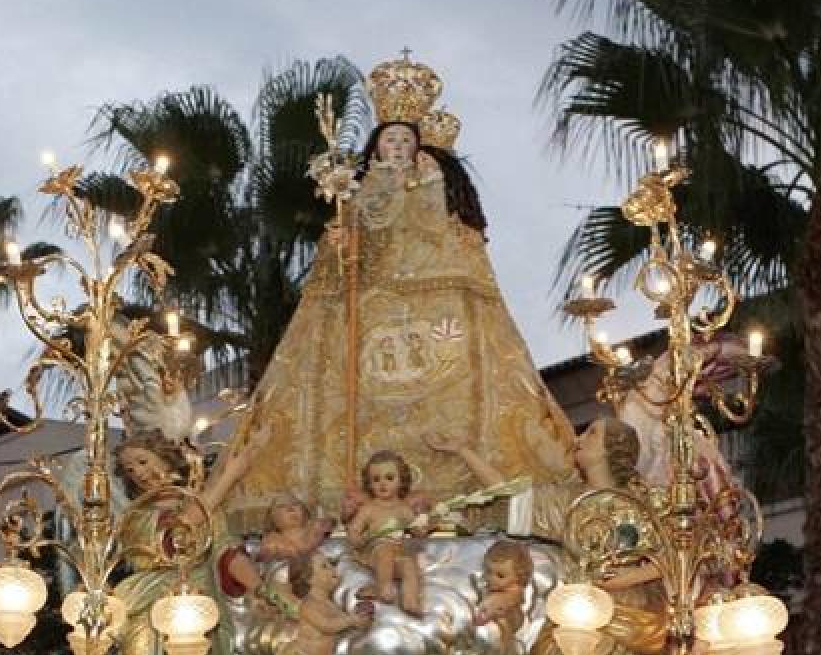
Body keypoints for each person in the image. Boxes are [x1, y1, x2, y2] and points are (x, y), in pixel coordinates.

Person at [220, 53, 576, 527]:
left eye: (406, 140)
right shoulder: (362, 191)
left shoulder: (432, 186)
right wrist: (345, 230)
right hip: (369, 292)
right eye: (390, 139)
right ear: (376, 145)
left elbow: (441, 234)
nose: (398, 148)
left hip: (427, 288)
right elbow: (351, 249)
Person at [438, 418, 669, 655]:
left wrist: (619, 580)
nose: (580, 437)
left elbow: (665, 561)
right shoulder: (567, 500)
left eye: (592, 433)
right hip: (578, 609)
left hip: (618, 610)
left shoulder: (635, 504)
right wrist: (464, 451)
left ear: (612, 449)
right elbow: (512, 496)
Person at [112, 427, 272, 655]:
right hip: (148, 610)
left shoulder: (202, 506)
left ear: (165, 459)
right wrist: (233, 472)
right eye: (130, 469)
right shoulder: (136, 516)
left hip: (197, 609)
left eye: (143, 461)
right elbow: (179, 534)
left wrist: (260, 588)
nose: (139, 472)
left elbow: (226, 552)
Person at [236, 552, 373, 655]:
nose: (332, 569)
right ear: (310, 580)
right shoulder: (308, 605)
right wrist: (351, 620)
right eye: (324, 567)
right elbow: (326, 626)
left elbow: (341, 624)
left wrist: (358, 621)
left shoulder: (329, 605)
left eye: (330, 564)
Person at [345, 450, 427, 615]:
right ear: (369, 484)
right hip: (375, 551)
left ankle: (410, 600)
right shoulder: (369, 508)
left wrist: (422, 523)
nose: (382, 484)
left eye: (389, 478)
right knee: (385, 549)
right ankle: (384, 587)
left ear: (401, 481)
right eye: (376, 479)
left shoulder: (403, 509)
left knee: (409, 565)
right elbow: (354, 529)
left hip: (398, 553)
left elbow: (417, 531)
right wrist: (356, 539)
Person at [474, 540, 533, 637]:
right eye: (488, 572)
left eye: (500, 576)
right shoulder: (498, 589)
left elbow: (493, 606)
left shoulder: (511, 593)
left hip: (508, 632)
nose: (491, 579)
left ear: (518, 576)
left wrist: (476, 621)